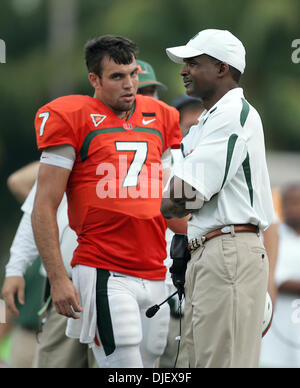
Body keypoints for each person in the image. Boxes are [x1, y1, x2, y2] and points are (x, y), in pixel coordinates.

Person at [31, 35, 182, 368]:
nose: (129, 85)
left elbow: (171, 204)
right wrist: (58, 277)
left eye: (133, 74)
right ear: (94, 80)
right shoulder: (72, 116)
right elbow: (44, 204)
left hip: (156, 268)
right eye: (117, 77)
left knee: (151, 364)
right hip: (104, 267)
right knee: (123, 365)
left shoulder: (162, 116)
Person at [161, 29, 275, 368]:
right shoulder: (207, 120)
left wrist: (172, 197)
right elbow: (178, 195)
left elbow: (180, 197)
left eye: (193, 63)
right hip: (211, 252)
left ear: (222, 68)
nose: (183, 70)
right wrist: (174, 196)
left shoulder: (231, 114)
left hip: (229, 252)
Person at [260, 184, 300, 368]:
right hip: (275, 339)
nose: (294, 209)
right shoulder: (273, 236)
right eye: (289, 203)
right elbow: (276, 279)